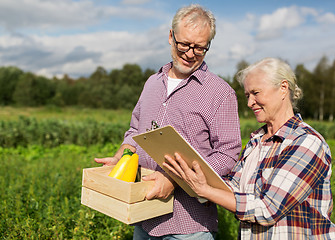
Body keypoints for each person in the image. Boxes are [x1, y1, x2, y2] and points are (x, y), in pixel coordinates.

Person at [94, 4, 242, 240]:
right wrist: (121, 157)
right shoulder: (152, 83)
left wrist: (175, 179)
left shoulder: (220, 93)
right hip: (143, 218)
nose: (190, 53)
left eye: (200, 48)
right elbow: (135, 130)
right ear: (171, 36)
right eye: (184, 44)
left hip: (189, 227)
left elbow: (228, 154)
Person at [164, 58, 335, 239]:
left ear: (283, 88)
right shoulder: (256, 141)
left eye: (256, 93)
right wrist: (191, 174)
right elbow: (232, 187)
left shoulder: (305, 142)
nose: (250, 103)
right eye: (247, 95)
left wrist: (205, 190)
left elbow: (268, 209)